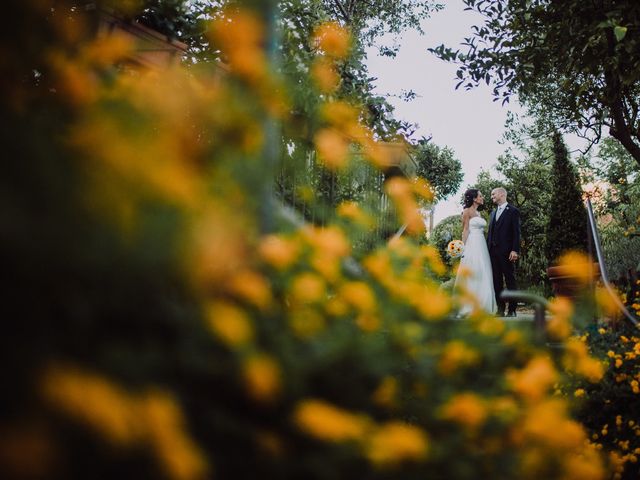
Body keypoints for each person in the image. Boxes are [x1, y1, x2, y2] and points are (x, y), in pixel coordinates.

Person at [454, 189, 497, 315]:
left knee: (484, 270)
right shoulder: (467, 211)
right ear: (474, 198)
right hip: (472, 243)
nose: (482, 197)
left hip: (482, 243)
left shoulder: (479, 213)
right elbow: (465, 230)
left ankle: (484, 305)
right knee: (474, 270)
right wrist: (463, 248)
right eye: (480, 196)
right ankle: (468, 306)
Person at [487, 187, 521, 317]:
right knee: (497, 282)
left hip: (507, 252)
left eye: (493, 194)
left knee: (510, 280)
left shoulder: (513, 211)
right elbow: (490, 234)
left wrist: (515, 250)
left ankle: (512, 310)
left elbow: (516, 233)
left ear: (501, 194)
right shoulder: (493, 213)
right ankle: (500, 309)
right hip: (493, 253)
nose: (492, 196)